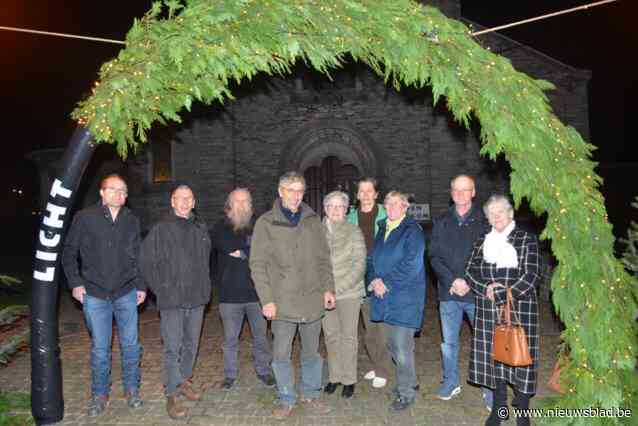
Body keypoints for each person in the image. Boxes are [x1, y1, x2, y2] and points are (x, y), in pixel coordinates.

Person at [250, 171, 336, 420]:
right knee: (281, 354)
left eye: (300, 190)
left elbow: (323, 259)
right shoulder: (266, 223)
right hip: (282, 303)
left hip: (311, 298)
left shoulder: (313, 220)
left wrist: (328, 288)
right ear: (280, 192)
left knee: (311, 351)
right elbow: (258, 265)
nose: (296, 195)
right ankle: (286, 397)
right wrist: (266, 299)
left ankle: (311, 393)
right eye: (290, 189)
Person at [62, 174, 145, 417]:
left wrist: (141, 285)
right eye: (113, 189)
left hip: (127, 292)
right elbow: (69, 252)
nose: (118, 194)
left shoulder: (131, 220)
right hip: (95, 293)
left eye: (123, 191)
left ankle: (132, 390)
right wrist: (75, 283)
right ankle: (100, 394)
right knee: (100, 348)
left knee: (131, 345)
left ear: (126, 196)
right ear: (102, 192)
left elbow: (139, 255)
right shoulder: (85, 217)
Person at [465, 195, 540, 426]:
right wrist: (486, 288)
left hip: (519, 309)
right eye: (491, 213)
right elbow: (470, 272)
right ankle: (499, 409)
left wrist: (501, 294)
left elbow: (531, 276)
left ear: (510, 214)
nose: (496, 217)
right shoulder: (481, 241)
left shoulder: (526, 239)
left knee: (521, 360)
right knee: (495, 360)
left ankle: (523, 411)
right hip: (488, 311)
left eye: (500, 212)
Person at [139, 184, 211, 419]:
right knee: (173, 347)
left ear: (193, 202)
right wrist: (161, 289)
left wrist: (205, 287)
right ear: (172, 202)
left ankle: (183, 380)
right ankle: (170, 392)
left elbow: (206, 261)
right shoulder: (161, 229)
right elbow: (146, 262)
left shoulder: (200, 228)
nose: (183, 202)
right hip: (172, 299)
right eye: (179, 198)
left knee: (191, 343)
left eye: (188, 198)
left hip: (197, 297)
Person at [429, 175, 493, 408]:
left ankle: (489, 389)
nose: (460, 194)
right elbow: (434, 256)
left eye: (465, 190)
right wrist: (452, 280)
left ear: (473, 192)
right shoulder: (442, 220)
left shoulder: (485, 221)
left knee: (485, 341)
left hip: (477, 294)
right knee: (449, 343)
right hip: (449, 294)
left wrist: (468, 280)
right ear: (451, 192)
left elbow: (490, 257)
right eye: (456, 189)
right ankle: (451, 381)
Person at [367, 191, 426, 412]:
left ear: (405, 207)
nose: (390, 208)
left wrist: (386, 283)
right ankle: (408, 382)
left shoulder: (412, 231)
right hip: (385, 298)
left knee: (401, 347)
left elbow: (412, 265)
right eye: (387, 204)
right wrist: (373, 278)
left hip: (405, 298)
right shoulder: (383, 227)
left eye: (395, 204)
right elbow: (372, 258)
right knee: (392, 345)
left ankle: (406, 394)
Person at [211, 188, 274, 391]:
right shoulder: (220, 227)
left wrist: (243, 251)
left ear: (251, 204)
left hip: (258, 294)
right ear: (229, 204)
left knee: (261, 337)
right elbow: (227, 245)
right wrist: (249, 250)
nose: (241, 205)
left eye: (245, 201)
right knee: (230, 339)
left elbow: (265, 250)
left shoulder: (259, 226)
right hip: (229, 295)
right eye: (237, 201)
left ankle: (264, 370)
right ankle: (229, 374)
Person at [346, 177, 392, 389]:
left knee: (380, 324)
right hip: (359, 275)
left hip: (381, 273)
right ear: (357, 195)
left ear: (376, 194)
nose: (365, 195)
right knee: (369, 323)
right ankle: (377, 362)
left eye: (369, 191)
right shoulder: (351, 217)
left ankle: (383, 368)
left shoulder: (386, 213)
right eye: (361, 191)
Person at [321, 191, 367, 399]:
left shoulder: (353, 231)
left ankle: (349, 379)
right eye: (331, 205)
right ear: (325, 208)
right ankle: (335, 376)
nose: (335, 210)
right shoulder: (317, 232)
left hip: (349, 292)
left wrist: (336, 290)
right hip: (324, 294)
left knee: (348, 337)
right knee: (331, 336)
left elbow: (359, 265)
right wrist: (325, 290)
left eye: (340, 206)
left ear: (347, 209)